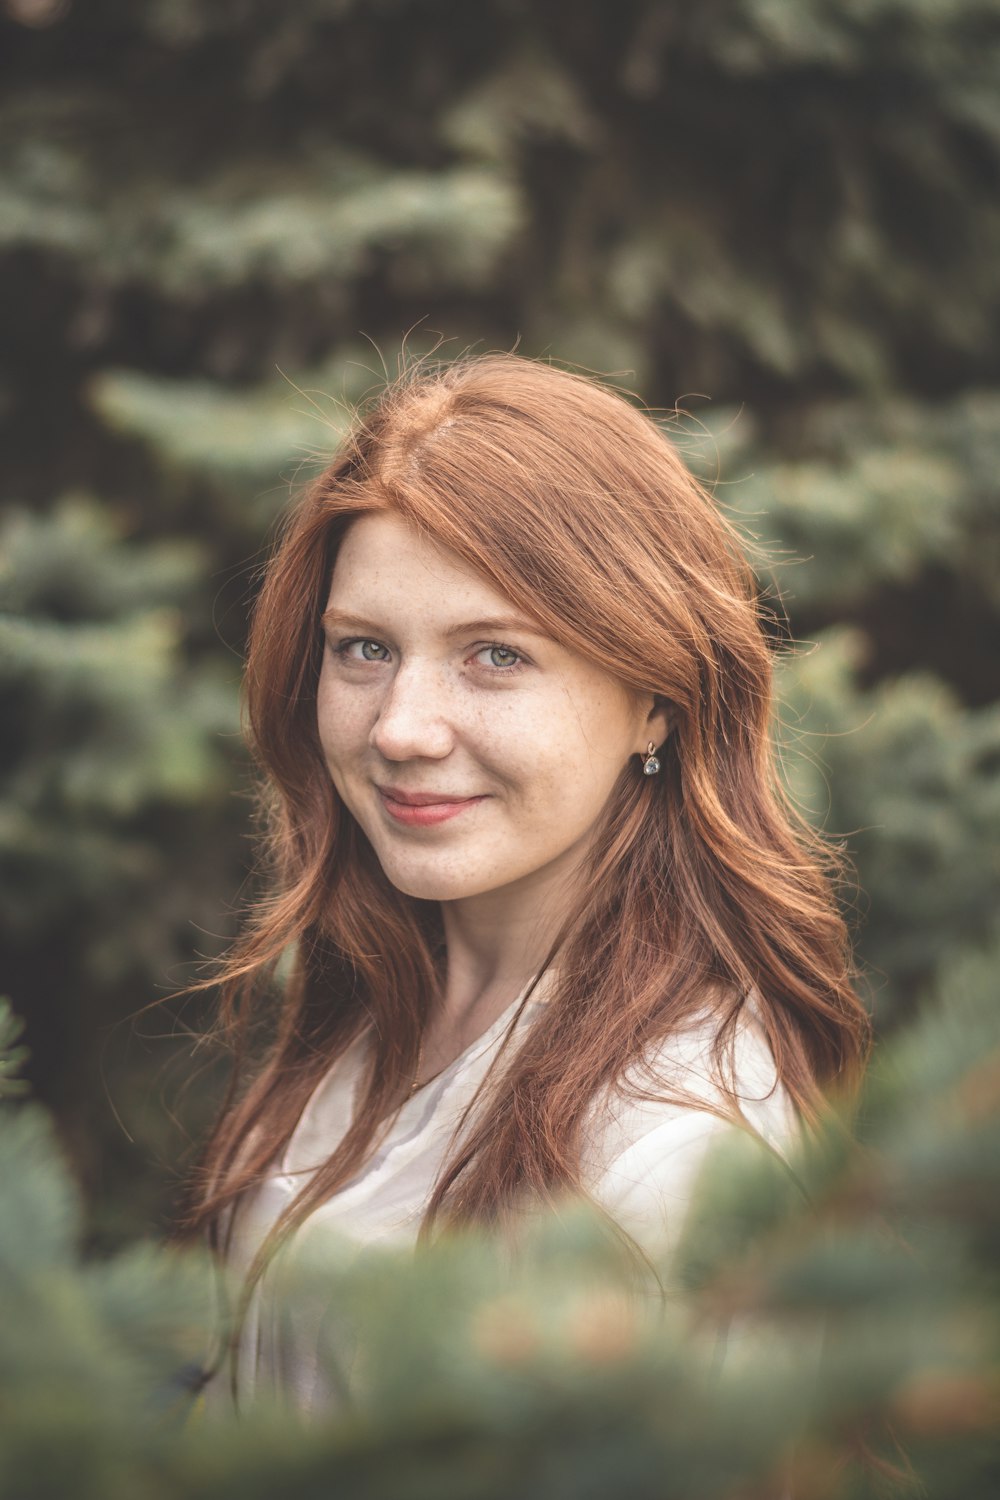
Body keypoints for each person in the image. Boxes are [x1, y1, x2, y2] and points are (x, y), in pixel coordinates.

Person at [186, 352, 870, 1414]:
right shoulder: (377, 1001)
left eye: (494, 656)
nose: (401, 729)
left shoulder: (675, 1150)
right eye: (363, 648)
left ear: (657, 697)